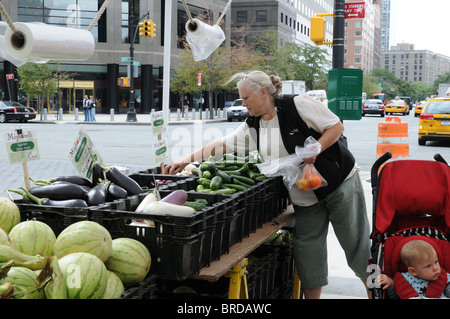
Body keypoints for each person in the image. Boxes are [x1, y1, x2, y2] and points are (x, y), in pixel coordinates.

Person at [165, 70, 372, 299]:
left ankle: (375, 292)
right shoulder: (253, 125)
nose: (243, 104)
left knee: (357, 244)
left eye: (246, 98)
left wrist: (317, 148)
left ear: (263, 92)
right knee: (307, 250)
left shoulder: (297, 105)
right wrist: (187, 159)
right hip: (304, 195)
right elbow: (223, 145)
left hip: (339, 184)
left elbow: (335, 126)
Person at [377, 240, 450, 299]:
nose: (436, 268)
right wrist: (391, 285)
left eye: (436, 262)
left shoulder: (444, 277)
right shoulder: (403, 280)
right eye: (428, 266)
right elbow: (394, 296)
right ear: (413, 271)